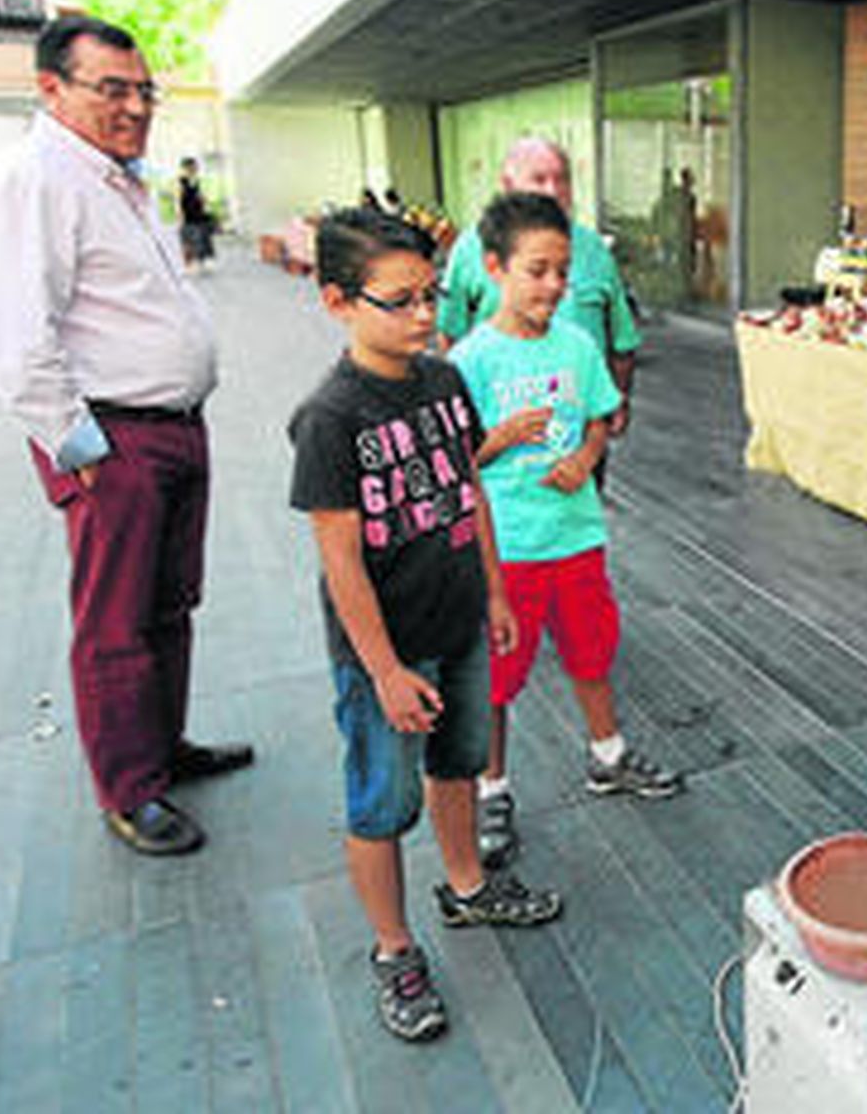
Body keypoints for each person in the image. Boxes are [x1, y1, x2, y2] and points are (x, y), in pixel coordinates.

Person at [0, 16, 251, 858]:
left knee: (169, 605)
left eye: (144, 90)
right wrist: (77, 447)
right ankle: (131, 790)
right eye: (112, 89)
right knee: (116, 622)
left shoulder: (117, 178)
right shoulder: (35, 177)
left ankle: (162, 749)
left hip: (172, 427)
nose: (135, 106)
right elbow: (17, 336)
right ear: (50, 89)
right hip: (114, 438)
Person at [288, 207, 561, 1043]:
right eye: (399, 300)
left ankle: (469, 885)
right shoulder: (330, 418)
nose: (422, 315)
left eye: (431, 295)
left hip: (462, 624)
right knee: (381, 797)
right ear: (337, 300)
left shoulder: (444, 380)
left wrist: (496, 594)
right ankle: (392, 945)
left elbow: (467, 492)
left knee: (459, 763)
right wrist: (382, 671)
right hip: (389, 654)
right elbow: (340, 561)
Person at [449, 192, 682, 869]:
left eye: (562, 271)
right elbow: (452, 464)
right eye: (537, 269)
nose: (553, 285)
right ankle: (492, 786)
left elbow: (600, 417)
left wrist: (585, 456)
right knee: (496, 676)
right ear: (495, 267)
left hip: (576, 538)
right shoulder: (470, 360)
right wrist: (496, 441)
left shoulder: (578, 345)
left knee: (592, 650)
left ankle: (607, 754)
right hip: (509, 552)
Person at [436, 137, 641, 477]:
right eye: (540, 178)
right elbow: (450, 335)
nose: (554, 190)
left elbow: (621, 337)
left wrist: (617, 399)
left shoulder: (594, 250)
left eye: (562, 179)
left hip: (578, 427)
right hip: (502, 439)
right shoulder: (470, 250)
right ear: (507, 185)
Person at [177, 156, 217, 272]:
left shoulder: (197, 181)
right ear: (185, 168)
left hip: (199, 213)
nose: (193, 169)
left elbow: (201, 197)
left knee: (204, 236)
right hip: (188, 215)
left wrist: (205, 204)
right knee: (190, 238)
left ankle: (205, 259)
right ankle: (192, 263)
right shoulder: (181, 182)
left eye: (194, 167)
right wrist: (180, 216)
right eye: (190, 167)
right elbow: (178, 200)